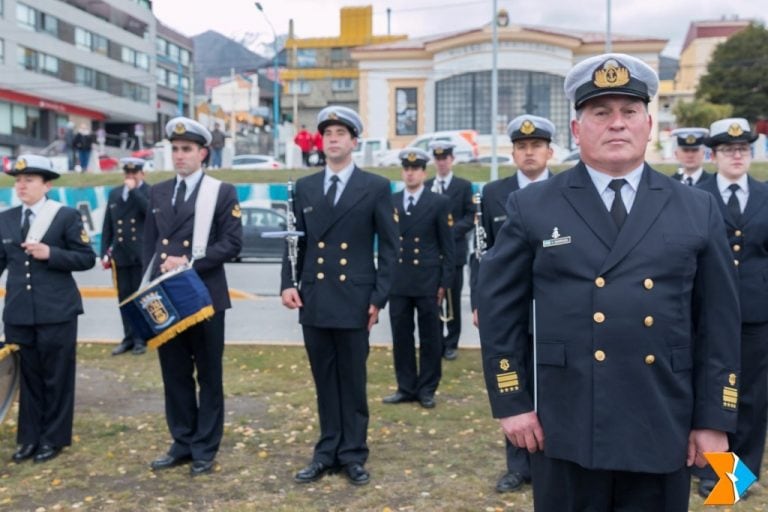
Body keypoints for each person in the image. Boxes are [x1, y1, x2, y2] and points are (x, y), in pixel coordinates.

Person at [477, 53, 741, 511]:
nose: (616, 124)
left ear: (649, 124)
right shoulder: (533, 206)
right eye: (601, 113)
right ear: (578, 130)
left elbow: (719, 323)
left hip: (662, 414)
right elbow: (500, 312)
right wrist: (511, 401)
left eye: (628, 112)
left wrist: (714, 417)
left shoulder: (696, 208)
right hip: (567, 418)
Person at [280, 106, 399, 486]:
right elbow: (294, 242)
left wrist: (378, 298)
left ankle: (352, 453)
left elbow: (391, 249)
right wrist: (287, 282)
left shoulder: (376, 187)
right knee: (324, 378)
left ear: (354, 142)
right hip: (315, 297)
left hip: (354, 299)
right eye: (327, 133)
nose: (333, 139)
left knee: (352, 380)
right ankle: (326, 451)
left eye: (340, 133)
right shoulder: (306, 187)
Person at [144, 117, 242, 476]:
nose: (180, 156)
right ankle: (182, 440)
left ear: (203, 153)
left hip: (204, 295)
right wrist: (147, 288)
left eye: (187, 149)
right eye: (175, 149)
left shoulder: (221, 191)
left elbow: (232, 244)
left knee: (209, 375)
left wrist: (189, 262)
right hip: (167, 296)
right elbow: (150, 247)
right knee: (175, 373)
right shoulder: (157, 192)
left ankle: (205, 447)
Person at [470, 114, 554, 493]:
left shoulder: (566, 190)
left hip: (555, 304)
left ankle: (550, 459)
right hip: (509, 305)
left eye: (536, 146)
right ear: (513, 153)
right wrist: (480, 301)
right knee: (511, 378)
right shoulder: (493, 194)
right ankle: (517, 465)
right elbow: (481, 253)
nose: (529, 152)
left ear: (550, 151)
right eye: (522, 147)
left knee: (552, 382)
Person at [0, 155, 96, 463]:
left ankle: (53, 439)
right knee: (28, 377)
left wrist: (50, 253)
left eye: (29, 180)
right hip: (19, 312)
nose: (21, 185)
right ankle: (29, 438)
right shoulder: (7, 218)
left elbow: (85, 258)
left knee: (56, 376)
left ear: (46, 184)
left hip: (57, 311)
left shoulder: (65, 216)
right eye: (18, 180)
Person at [694, 118, 767, 498]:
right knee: (715, 389)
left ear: (751, 154)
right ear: (714, 155)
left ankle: (740, 476)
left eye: (742, 149)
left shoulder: (766, 195)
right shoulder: (695, 195)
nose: (736, 155)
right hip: (708, 312)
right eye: (727, 150)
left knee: (753, 396)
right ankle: (711, 468)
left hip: (757, 314)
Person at [383, 148, 454, 410]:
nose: (410, 173)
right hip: (399, 280)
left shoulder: (438, 202)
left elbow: (448, 247)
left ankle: (427, 389)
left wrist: (444, 283)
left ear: (424, 173)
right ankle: (405, 387)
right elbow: (388, 244)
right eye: (406, 169)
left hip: (427, 280)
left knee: (430, 338)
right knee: (401, 336)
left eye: (415, 169)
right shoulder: (391, 201)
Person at [425, 142, 473, 361]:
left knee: (452, 298)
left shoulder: (463, 186)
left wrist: (448, 232)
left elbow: (470, 217)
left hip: (454, 251)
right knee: (433, 301)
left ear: (452, 159)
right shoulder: (427, 186)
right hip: (432, 254)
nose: (441, 162)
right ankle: (436, 341)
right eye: (438, 159)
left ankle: (452, 343)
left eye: (445, 158)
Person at [101, 157, 151, 356]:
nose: (130, 177)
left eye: (134, 173)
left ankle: (141, 339)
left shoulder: (147, 192)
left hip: (139, 254)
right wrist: (104, 251)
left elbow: (148, 213)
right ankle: (128, 337)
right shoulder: (114, 194)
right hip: (120, 254)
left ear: (142, 174)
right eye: (127, 174)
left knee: (139, 298)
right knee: (123, 298)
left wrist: (134, 190)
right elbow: (108, 225)